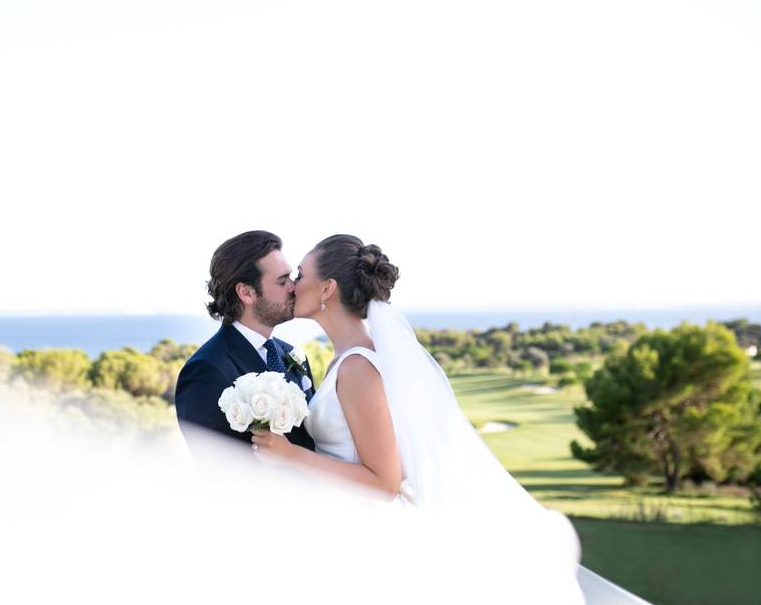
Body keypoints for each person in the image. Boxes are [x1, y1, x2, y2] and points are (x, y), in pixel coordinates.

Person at [250, 234, 585, 602]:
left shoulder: (357, 367)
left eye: (300, 274)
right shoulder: (349, 358)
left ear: (327, 288)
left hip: (368, 535)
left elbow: (385, 482)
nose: (293, 285)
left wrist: (291, 456)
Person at [175, 230, 315, 452]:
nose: (293, 287)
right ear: (247, 292)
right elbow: (220, 472)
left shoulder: (292, 355)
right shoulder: (206, 370)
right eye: (282, 281)